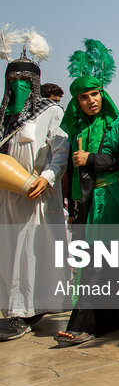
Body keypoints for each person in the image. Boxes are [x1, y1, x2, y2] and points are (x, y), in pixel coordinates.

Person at [55, 39, 119, 345]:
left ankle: (83, 322)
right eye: (84, 97)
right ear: (75, 102)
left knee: (108, 261)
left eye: (95, 94)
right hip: (87, 204)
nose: (91, 100)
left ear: (103, 94)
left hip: (113, 200)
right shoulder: (76, 132)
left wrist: (90, 159)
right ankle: (113, 317)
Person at [0, 29, 71, 341]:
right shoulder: (3, 116)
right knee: (9, 251)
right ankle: (16, 308)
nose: (18, 85)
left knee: (30, 251)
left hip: (37, 193)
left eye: (24, 80)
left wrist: (47, 177)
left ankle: (23, 312)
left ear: (35, 83)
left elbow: (60, 152)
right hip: (7, 194)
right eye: (12, 79)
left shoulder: (50, 111)